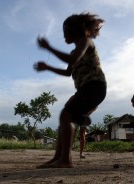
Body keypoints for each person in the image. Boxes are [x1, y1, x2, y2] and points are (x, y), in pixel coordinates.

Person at [34, 12, 107, 168]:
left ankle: (66, 160)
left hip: (95, 86)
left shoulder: (86, 42)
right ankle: (58, 158)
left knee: (66, 115)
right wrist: (48, 67)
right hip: (84, 89)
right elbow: (68, 72)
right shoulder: (74, 51)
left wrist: (49, 48)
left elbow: (73, 60)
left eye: (65, 32)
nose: (64, 35)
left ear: (74, 30)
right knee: (64, 118)